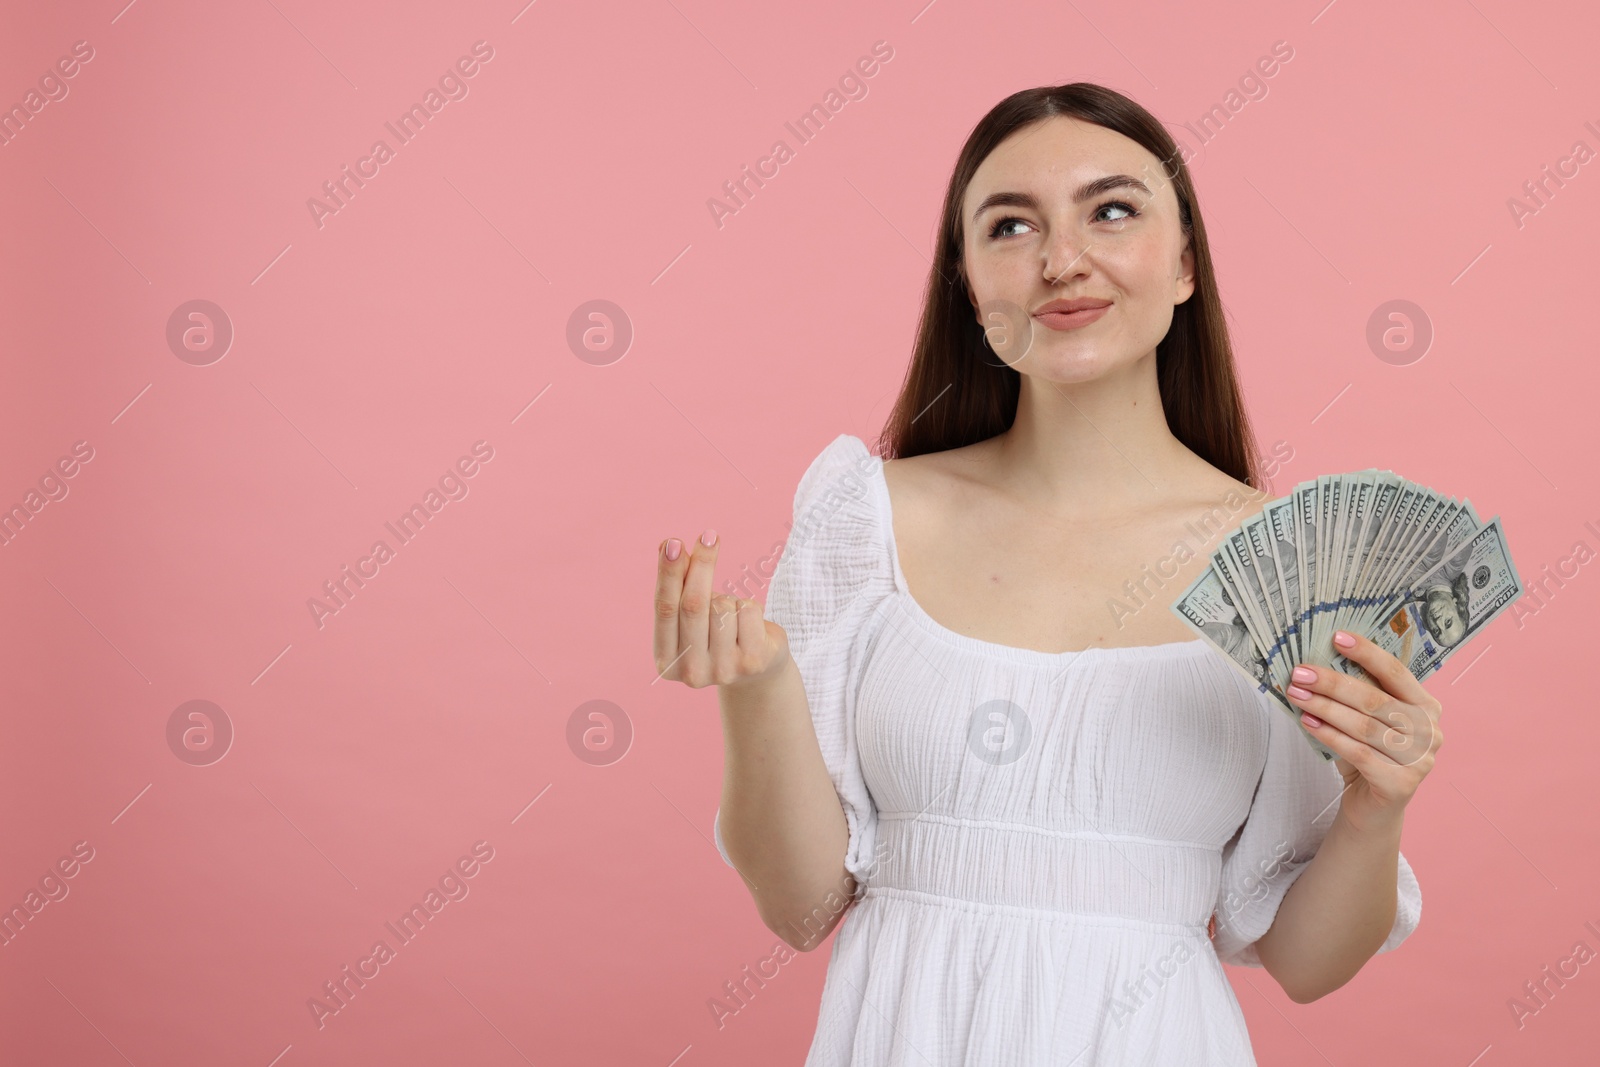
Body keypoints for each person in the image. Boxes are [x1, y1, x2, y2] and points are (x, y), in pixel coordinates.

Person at [652, 83, 1442, 1065]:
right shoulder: (863, 518)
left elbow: (1304, 959)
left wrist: (1375, 804)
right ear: (966, 280)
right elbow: (803, 907)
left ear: (1186, 261)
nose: (1061, 261)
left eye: (1111, 210)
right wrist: (755, 688)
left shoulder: (1281, 569)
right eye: (1010, 225)